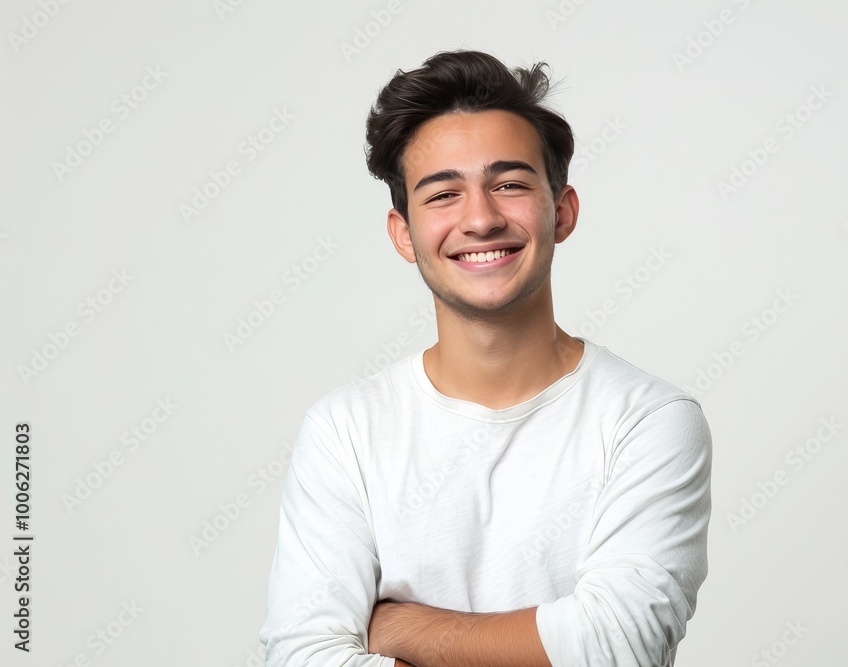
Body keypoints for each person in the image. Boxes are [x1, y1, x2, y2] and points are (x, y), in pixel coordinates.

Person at [259, 48, 712, 666]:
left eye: (509, 184)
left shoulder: (649, 420)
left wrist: (402, 630)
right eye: (443, 194)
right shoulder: (346, 431)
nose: (480, 218)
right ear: (402, 232)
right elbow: (299, 657)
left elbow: (619, 644)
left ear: (563, 210)